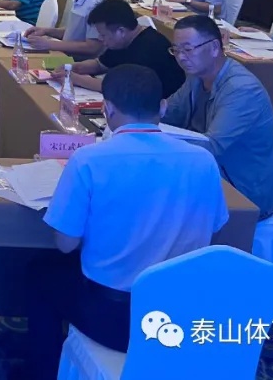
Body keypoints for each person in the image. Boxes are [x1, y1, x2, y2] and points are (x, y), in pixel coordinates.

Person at [29, 65, 227, 379]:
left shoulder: (89, 160)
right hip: (180, 311)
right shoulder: (203, 160)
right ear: (163, 106)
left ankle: (42, 371)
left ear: (107, 109)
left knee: (41, 274)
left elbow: (65, 244)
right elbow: (215, 227)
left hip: (114, 318)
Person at [162, 15, 273, 218]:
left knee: (154, 197)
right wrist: (135, 111)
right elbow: (171, 111)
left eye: (188, 49)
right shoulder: (197, 77)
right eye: (176, 50)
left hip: (243, 190)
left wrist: (157, 144)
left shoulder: (241, 89)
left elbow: (212, 147)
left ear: (215, 47)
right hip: (213, 171)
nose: (181, 57)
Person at [59, 0, 185, 98]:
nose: (100, 39)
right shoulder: (123, 40)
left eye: (103, 35)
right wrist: (73, 67)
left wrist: (75, 79)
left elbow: (118, 88)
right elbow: (100, 64)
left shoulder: (149, 48)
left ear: (121, 31)